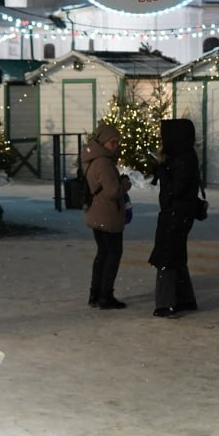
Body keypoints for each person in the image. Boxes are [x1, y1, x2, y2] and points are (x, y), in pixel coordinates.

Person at [149, 118, 201, 318]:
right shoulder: (184, 156)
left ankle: (166, 303)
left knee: (167, 256)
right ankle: (185, 300)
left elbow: (175, 190)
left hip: (175, 213)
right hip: (180, 213)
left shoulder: (182, 160)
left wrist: (163, 172)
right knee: (176, 255)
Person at [83, 123, 132, 310]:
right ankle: (105, 296)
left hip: (97, 213)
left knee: (102, 254)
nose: (116, 146)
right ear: (103, 142)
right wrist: (125, 183)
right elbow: (113, 191)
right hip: (108, 214)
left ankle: (95, 294)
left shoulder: (92, 158)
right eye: (113, 142)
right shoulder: (103, 162)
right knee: (113, 254)